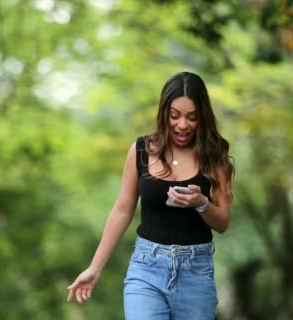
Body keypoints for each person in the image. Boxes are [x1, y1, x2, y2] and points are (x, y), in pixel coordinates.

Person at [66, 71, 234, 319]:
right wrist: (95, 268)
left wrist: (201, 203)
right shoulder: (142, 150)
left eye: (192, 117)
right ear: (164, 113)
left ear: (203, 118)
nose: (182, 125)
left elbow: (222, 222)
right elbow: (123, 209)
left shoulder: (215, 154)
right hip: (147, 268)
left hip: (195, 273)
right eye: (174, 116)